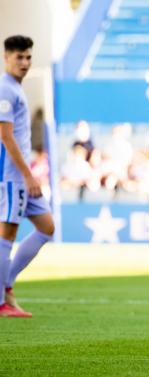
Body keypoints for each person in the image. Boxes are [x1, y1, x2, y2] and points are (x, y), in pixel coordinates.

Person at [0, 36, 55, 317]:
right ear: (6, 57)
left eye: (28, 57)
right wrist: (27, 175)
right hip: (12, 176)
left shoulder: (16, 89)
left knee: (47, 227)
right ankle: (1, 302)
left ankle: (6, 284)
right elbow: (6, 137)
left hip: (21, 177)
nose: (24, 62)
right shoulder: (5, 90)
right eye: (19, 57)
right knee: (7, 234)